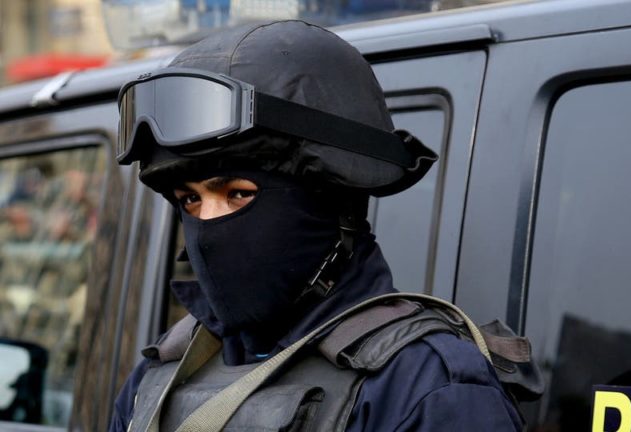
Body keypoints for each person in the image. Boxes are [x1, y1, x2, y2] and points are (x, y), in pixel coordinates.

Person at [109, 20, 526, 432]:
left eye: (237, 193)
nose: (208, 226)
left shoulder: (425, 389)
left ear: (333, 201)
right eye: (190, 200)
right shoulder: (159, 379)